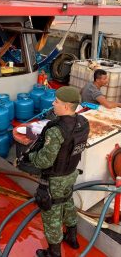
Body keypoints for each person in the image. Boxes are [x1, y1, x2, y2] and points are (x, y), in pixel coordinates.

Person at [28, 86, 90, 257]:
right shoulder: (83, 122)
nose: (53, 103)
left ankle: (54, 253)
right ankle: (72, 237)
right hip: (71, 174)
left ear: (66, 106)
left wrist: (31, 156)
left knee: (52, 213)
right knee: (67, 202)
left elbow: (44, 161)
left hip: (54, 179)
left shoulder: (56, 130)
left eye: (56, 101)